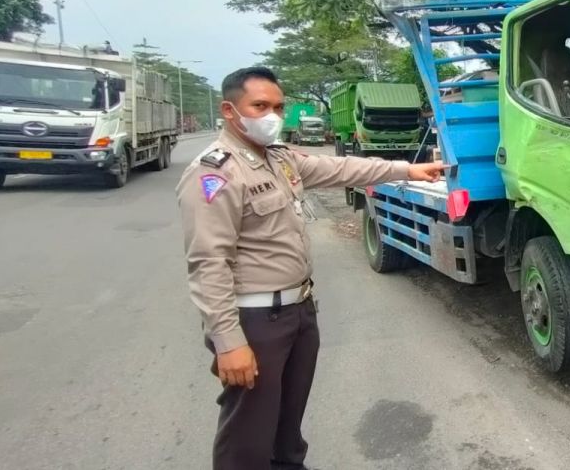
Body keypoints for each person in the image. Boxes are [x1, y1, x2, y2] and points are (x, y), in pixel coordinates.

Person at [176, 67, 444, 469]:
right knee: (249, 431)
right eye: (260, 106)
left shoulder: (279, 158)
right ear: (230, 111)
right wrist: (228, 342)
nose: (272, 115)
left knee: (288, 422)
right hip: (255, 321)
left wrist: (405, 170)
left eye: (278, 107)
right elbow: (208, 263)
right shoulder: (215, 172)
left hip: (299, 310)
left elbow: (343, 169)